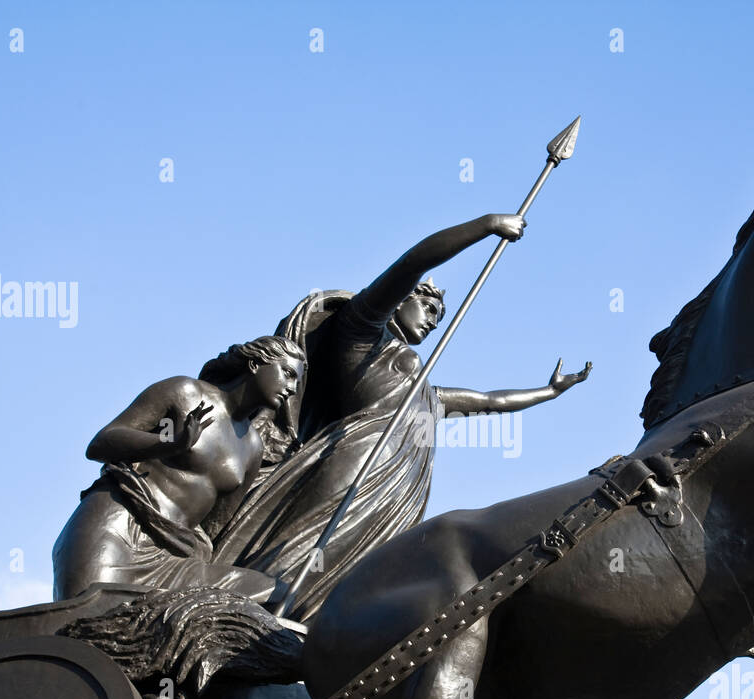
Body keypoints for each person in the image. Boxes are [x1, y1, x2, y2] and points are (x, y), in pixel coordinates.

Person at [209, 213, 591, 620]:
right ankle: (243, 617)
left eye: (438, 317)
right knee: (310, 545)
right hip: (358, 463)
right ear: (404, 299)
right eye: (426, 306)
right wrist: (486, 226)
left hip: (400, 491)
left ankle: (300, 631)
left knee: (350, 573)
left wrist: (550, 391)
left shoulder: (425, 393)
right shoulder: (361, 337)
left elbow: (489, 401)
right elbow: (412, 264)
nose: (431, 320)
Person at [53, 335, 306, 601]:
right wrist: (167, 443)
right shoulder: (185, 392)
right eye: (287, 374)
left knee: (277, 593)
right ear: (255, 364)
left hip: (174, 559)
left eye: (297, 382)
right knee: (87, 616)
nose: (292, 388)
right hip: (119, 529)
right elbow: (100, 445)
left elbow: (214, 529)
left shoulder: (253, 448)